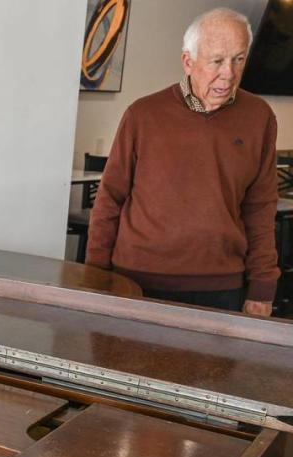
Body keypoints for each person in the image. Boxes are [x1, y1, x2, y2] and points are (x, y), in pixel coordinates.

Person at [86, 8, 279, 316]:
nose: (228, 73)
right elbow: (109, 199)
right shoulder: (143, 115)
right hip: (136, 279)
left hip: (221, 284)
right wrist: (95, 275)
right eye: (217, 61)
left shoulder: (260, 117)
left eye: (238, 59)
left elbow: (261, 207)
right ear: (188, 61)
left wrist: (263, 286)